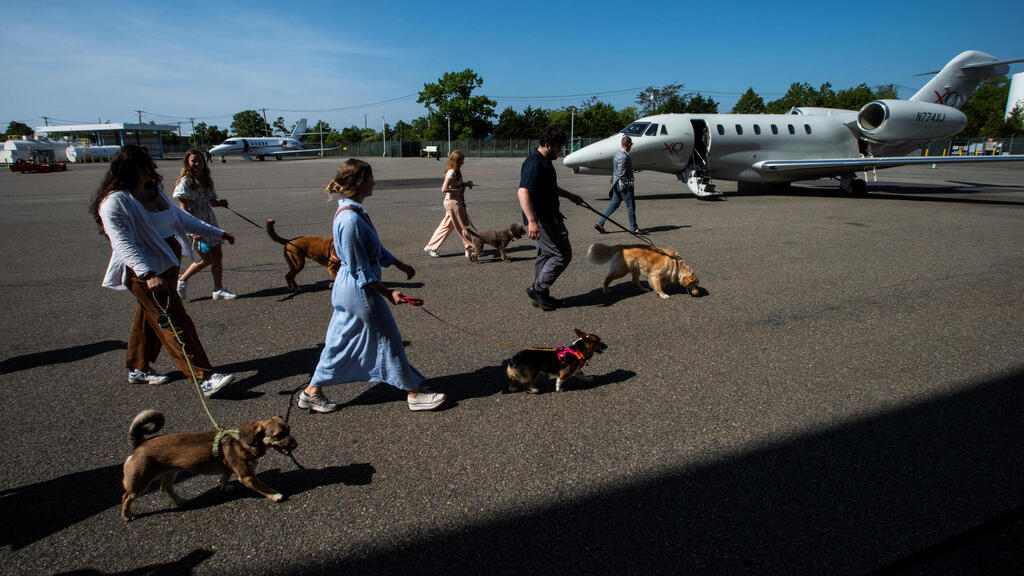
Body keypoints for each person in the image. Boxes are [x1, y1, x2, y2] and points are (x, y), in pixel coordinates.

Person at [298, 159, 446, 413]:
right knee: (389, 340)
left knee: (338, 342)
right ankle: (414, 393)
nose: (373, 183)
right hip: (358, 291)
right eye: (370, 178)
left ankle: (312, 392)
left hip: (351, 289)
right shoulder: (350, 220)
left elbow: (373, 251)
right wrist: (388, 293)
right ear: (359, 183)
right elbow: (360, 270)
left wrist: (399, 264)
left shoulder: (353, 212)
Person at [89, 145, 236, 397]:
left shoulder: (153, 192)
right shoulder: (114, 202)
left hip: (166, 266)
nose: (151, 171)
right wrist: (147, 274)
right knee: (177, 323)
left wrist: (217, 233)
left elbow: (181, 219)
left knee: (148, 320)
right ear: (129, 170)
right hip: (145, 274)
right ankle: (204, 377)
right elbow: (122, 243)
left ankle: (138, 368)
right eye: (145, 167)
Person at [517, 126, 583, 311]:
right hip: (542, 220)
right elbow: (523, 191)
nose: (560, 151)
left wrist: (570, 195)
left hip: (548, 216)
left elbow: (548, 187)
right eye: (558, 147)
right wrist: (531, 221)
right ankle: (538, 289)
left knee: (545, 255)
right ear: (548, 144)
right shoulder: (534, 162)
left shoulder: (545, 161)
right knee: (562, 254)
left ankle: (541, 294)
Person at [173, 149, 236, 301]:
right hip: (193, 222)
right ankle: (182, 280)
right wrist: (190, 229)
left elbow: (210, 201)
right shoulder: (186, 181)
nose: (197, 164)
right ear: (187, 163)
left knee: (218, 255)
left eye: (200, 160)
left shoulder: (206, 179)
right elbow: (183, 207)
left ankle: (218, 289)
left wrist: (219, 203)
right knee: (206, 258)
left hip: (209, 220)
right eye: (193, 161)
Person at [423, 150, 476, 258]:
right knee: (463, 226)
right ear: (457, 161)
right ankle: (469, 248)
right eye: (462, 161)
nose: (463, 163)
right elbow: (444, 189)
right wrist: (460, 189)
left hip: (454, 202)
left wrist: (466, 184)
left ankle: (431, 247)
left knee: (446, 226)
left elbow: (456, 186)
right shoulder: (451, 172)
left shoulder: (456, 171)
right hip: (453, 203)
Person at [594, 135, 640, 234]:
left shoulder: (617, 154)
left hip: (616, 184)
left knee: (614, 205)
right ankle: (634, 228)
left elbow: (615, 171)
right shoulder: (624, 156)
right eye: (631, 144)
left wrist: (614, 185)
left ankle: (600, 223)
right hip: (623, 185)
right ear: (628, 144)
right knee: (631, 205)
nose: (631, 146)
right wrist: (627, 185)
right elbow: (621, 173)